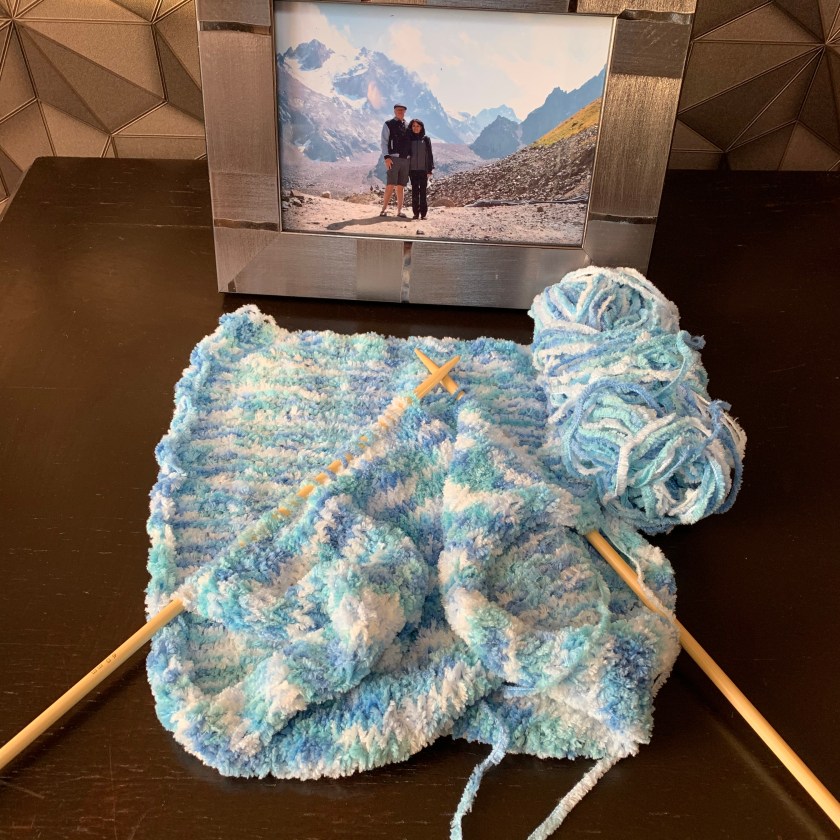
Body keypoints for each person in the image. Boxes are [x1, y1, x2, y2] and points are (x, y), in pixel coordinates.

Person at [380, 104, 411, 218]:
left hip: (405, 159)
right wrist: (386, 157)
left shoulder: (408, 125)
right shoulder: (388, 124)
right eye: (398, 110)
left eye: (402, 110)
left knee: (401, 186)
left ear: (405, 112)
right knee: (390, 184)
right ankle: (383, 209)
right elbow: (384, 142)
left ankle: (399, 211)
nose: (400, 112)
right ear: (394, 111)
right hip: (393, 158)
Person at [407, 118, 434, 220]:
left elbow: (430, 154)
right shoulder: (409, 139)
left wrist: (430, 169)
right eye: (413, 126)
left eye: (418, 126)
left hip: (423, 170)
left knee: (423, 192)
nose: (416, 128)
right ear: (411, 127)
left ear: (421, 127)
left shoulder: (426, 139)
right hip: (412, 170)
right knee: (414, 192)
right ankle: (415, 213)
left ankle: (423, 214)